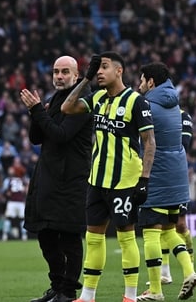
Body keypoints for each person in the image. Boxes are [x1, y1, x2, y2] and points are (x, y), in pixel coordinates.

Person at [61, 51, 156, 302]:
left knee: (126, 237)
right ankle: (88, 295)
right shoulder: (99, 97)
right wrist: (86, 79)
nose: (99, 72)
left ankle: (130, 296)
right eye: (97, 68)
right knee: (93, 238)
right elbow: (67, 107)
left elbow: (149, 143)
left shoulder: (137, 101)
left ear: (119, 70)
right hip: (97, 180)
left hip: (124, 181)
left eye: (103, 67)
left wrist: (144, 180)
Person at [20, 55, 93, 302]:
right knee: (46, 233)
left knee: (69, 236)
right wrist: (36, 112)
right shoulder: (56, 99)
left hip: (71, 179)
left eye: (64, 72)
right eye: (55, 72)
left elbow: (61, 135)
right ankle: (57, 285)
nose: (59, 77)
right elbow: (36, 138)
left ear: (76, 75)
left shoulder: (83, 101)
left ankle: (69, 291)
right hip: (49, 177)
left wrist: (38, 110)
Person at [136, 62, 196, 301]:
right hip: (177, 175)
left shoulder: (148, 105)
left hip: (157, 174)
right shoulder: (175, 105)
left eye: (142, 80)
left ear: (151, 82)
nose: (140, 85)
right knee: (170, 231)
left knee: (151, 233)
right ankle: (189, 271)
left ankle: (155, 291)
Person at [154, 108, 195, 286]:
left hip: (175, 176)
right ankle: (165, 273)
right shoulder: (152, 112)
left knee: (180, 224)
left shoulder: (183, 116)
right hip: (157, 176)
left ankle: (190, 261)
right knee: (162, 225)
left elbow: (184, 145)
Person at [1, 159, 29, 241]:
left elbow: (7, 192)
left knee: (8, 218)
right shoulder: (24, 180)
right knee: (22, 219)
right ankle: (24, 236)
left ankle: (4, 236)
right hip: (20, 202)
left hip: (12, 202)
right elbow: (26, 191)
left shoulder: (9, 180)